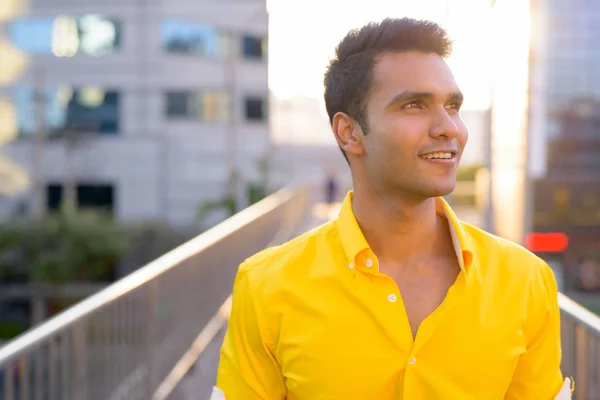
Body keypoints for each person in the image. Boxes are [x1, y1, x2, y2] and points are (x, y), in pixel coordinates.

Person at [215, 18, 571, 399]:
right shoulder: (266, 286)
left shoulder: (526, 280)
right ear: (348, 132)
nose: (449, 127)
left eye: (453, 106)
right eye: (414, 105)